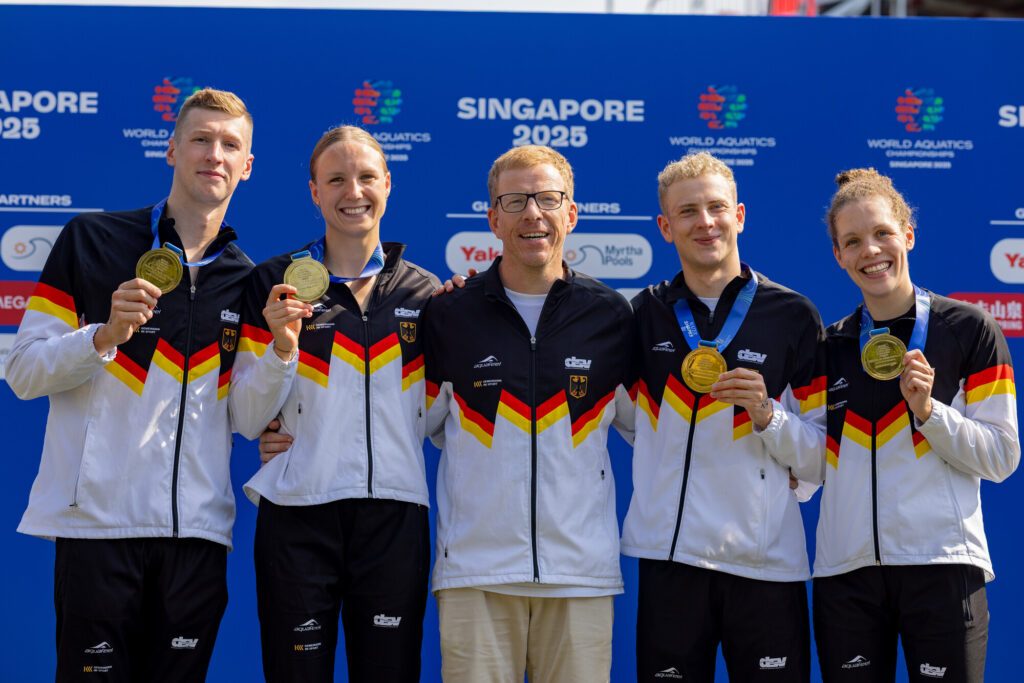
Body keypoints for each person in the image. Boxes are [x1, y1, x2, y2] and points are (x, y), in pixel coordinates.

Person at [7, 88, 255, 681]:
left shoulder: (248, 280)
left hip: (195, 537)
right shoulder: (89, 240)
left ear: (247, 166)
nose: (213, 154)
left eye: (229, 145)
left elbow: (249, 408)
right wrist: (102, 335)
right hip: (98, 530)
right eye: (200, 139)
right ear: (171, 149)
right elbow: (23, 372)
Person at [229, 125, 439, 683]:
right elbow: (246, 417)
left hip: (395, 516)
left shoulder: (427, 293)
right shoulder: (274, 283)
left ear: (388, 184)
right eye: (337, 179)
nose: (354, 191)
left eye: (367, 177)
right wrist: (281, 347)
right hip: (298, 514)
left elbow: (444, 418)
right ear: (314, 192)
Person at [421, 144, 634, 683]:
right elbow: (396, 425)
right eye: (514, 201)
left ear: (572, 213)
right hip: (477, 574)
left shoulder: (612, 316)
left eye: (547, 198)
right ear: (492, 218)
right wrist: (293, 429)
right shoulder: (448, 314)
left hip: (579, 576)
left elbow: (661, 433)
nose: (532, 214)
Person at [621, 152, 825, 682]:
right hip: (671, 561)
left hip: (765, 563)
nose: (704, 222)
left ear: (739, 214)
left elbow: (825, 458)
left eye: (716, 208)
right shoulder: (642, 315)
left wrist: (767, 414)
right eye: (687, 212)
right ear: (666, 227)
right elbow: (623, 419)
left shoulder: (793, 315)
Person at [813, 168, 1019, 682]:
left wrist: (931, 413)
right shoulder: (829, 346)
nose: (871, 251)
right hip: (848, 574)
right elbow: (808, 467)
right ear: (838, 255)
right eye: (853, 241)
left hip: (943, 566)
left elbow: (1001, 457)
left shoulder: (971, 329)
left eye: (882, 233)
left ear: (908, 233)